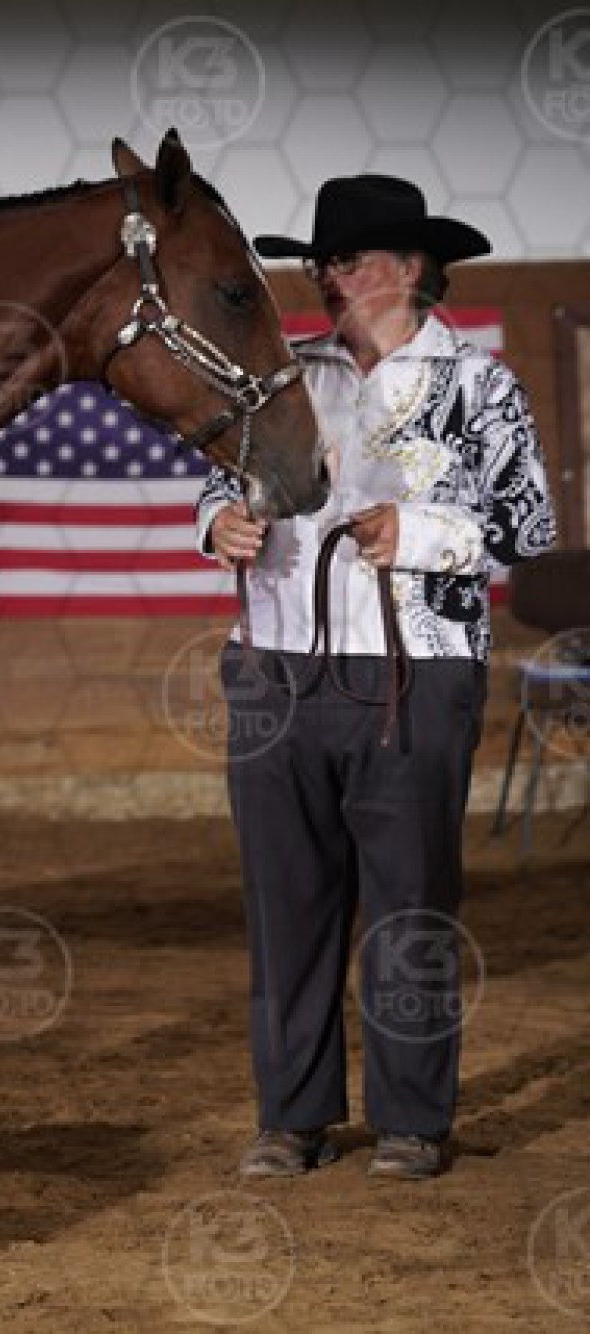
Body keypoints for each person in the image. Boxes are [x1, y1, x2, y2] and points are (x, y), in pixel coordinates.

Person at [197, 175, 556, 1180]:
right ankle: (292, 1115)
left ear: (408, 267)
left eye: (347, 260)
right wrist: (215, 523)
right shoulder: (278, 375)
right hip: (275, 670)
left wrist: (424, 532)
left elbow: (528, 528)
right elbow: (217, 478)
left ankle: (411, 1120)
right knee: (286, 905)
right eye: (320, 261)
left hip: (417, 675)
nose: (327, 275)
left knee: (409, 904)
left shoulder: (478, 384)